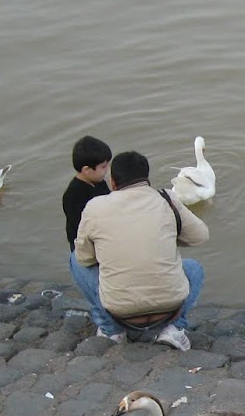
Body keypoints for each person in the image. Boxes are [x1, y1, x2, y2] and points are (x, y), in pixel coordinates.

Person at [74, 149, 208, 350]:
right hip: (170, 308)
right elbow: (200, 236)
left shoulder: (95, 207)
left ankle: (111, 331)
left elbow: (85, 259)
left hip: (119, 312)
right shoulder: (166, 199)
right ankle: (174, 329)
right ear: (147, 179)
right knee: (194, 268)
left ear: (113, 183)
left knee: (74, 260)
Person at [63, 137, 120, 339]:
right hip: (88, 250)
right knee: (99, 290)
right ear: (87, 170)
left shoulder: (99, 184)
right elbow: (78, 232)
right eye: (103, 167)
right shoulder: (74, 195)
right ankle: (106, 325)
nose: (107, 171)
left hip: (104, 244)